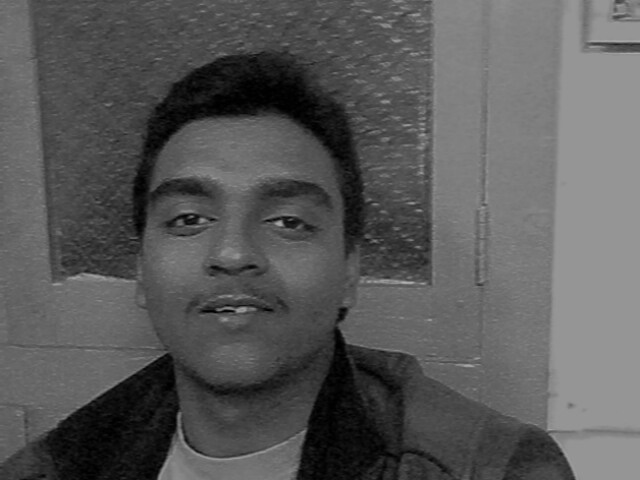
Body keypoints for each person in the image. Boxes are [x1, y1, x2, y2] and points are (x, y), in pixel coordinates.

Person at [0, 51, 575, 480]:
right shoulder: (56, 466)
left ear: (350, 270)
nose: (233, 254)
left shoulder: (489, 468)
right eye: (189, 219)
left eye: (288, 222)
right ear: (141, 271)